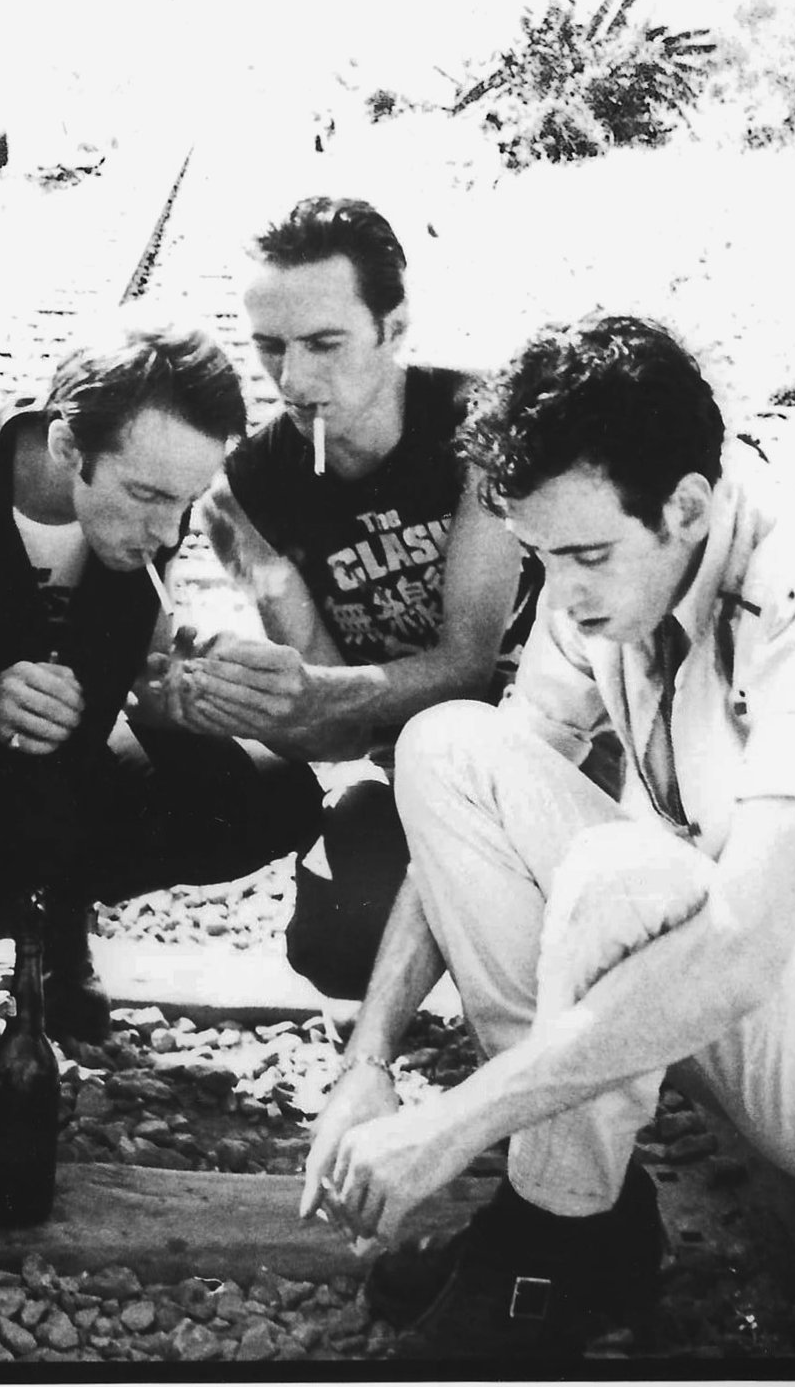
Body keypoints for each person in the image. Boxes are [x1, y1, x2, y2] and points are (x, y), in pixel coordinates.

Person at [299, 314, 795, 1358]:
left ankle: (546, 1242)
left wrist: (453, 1120)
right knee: (445, 749)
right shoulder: (604, 582)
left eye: (586, 555)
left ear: (688, 505)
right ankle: (577, 1217)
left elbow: (739, 950)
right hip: (718, 994)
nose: (559, 594)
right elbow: (471, 805)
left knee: (624, 872)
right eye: (539, 558)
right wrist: (368, 1059)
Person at [0, 317, 325, 1099]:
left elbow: (141, 650)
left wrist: (183, 681)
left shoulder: (152, 507)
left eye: (185, 502)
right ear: (70, 449)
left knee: (270, 792)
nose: (167, 529)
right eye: (146, 496)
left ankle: (51, 910)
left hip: (51, 766)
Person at [189, 196, 575, 1000]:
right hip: (414, 772)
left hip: (565, 749)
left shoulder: (480, 428)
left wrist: (317, 692)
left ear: (394, 329)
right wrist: (238, 696)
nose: (294, 381)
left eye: (325, 345)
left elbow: (467, 666)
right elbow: (333, 725)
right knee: (337, 944)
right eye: (269, 349)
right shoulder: (245, 497)